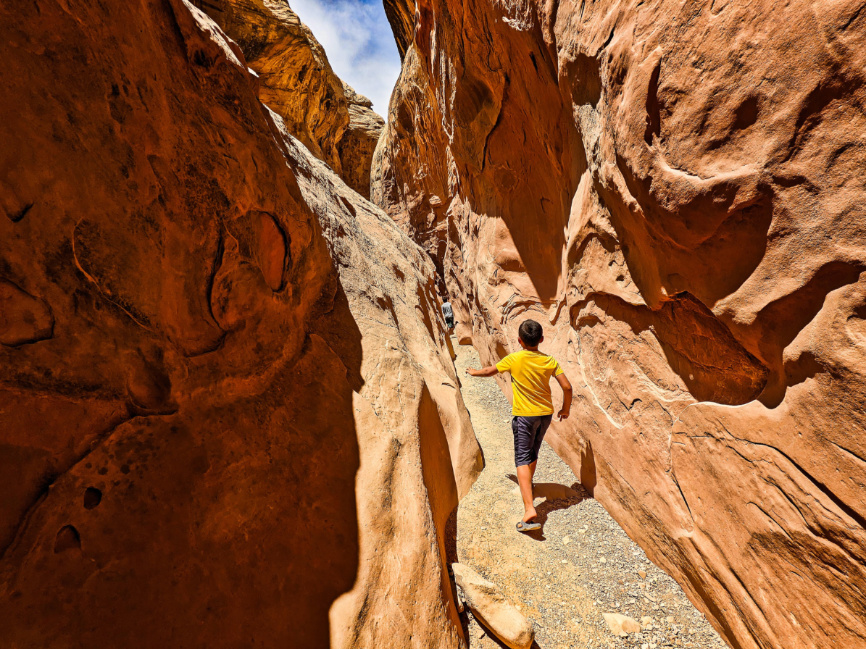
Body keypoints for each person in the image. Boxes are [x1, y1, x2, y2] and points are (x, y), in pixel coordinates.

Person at [466, 319, 572, 532]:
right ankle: (528, 486)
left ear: (519, 340)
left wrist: (472, 372)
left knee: (522, 458)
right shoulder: (550, 361)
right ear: (541, 339)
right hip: (545, 414)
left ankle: (529, 509)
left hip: (525, 416)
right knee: (533, 452)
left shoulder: (514, 358)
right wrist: (565, 409)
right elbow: (567, 387)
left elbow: (489, 371)